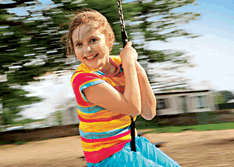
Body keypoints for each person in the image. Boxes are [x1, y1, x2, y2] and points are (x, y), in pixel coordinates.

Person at [61, 9, 181, 166]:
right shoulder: (84, 79)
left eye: (93, 40)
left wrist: (138, 69)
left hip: (132, 143)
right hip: (107, 158)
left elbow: (148, 113)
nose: (87, 50)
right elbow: (132, 109)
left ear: (109, 40)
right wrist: (130, 64)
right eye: (79, 44)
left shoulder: (123, 63)